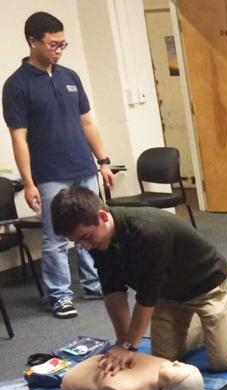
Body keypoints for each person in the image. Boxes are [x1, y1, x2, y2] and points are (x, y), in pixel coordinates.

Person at [50, 186, 227, 374]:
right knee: (164, 360)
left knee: (223, 361)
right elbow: (113, 291)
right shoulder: (99, 241)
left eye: (86, 238)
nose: (85, 247)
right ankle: (210, 326)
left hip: (207, 286)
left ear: (103, 216)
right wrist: (122, 343)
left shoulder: (147, 232)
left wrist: (129, 346)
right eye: (78, 242)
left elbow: (146, 296)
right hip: (169, 295)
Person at [2, 11, 116, 318]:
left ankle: (96, 283)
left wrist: (103, 161)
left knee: (95, 226)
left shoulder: (70, 76)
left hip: (83, 166)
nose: (59, 50)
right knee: (55, 238)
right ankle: (60, 295)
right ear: (32, 42)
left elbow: (88, 122)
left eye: (63, 44)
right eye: (53, 44)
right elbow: (19, 138)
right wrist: (28, 182)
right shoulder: (16, 85)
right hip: (50, 173)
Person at [62, 353, 203, 390]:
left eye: (175, 368)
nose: (176, 362)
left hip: (75, 376)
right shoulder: (162, 365)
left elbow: (110, 388)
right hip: (94, 364)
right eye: (180, 364)